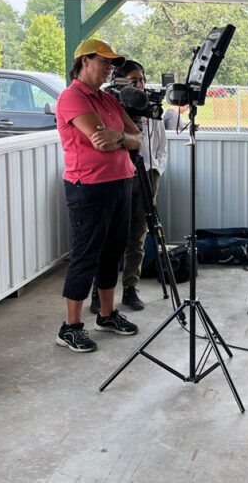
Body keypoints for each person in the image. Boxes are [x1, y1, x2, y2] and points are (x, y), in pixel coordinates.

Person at [55, 39, 143, 353]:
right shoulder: (72, 97)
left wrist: (119, 135)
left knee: (112, 253)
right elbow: (98, 142)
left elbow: (136, 138)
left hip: (120, 184)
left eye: (111, 63)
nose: (109, 68)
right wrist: (121, 138)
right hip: (88, 186)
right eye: (104, 62)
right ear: (84, 61)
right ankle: (71, 327)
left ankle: (106, 315)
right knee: (86, 254)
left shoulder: (108, 100)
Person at [88, 60, 167, 313]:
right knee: (109, 235)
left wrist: (158, 167)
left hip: (149, 173)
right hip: (120, 173)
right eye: (134, 81)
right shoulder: (112, 105)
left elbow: (162, 137)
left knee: (139, 233)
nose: (140, 85)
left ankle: (130, 287)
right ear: (120, 83)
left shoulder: (150, 105)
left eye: (142, 79)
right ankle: (98, 293)